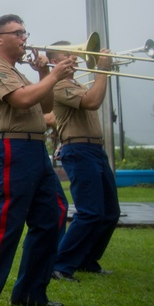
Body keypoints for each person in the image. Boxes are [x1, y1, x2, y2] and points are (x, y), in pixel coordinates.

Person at [0, 14, 76, 306]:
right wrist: (54, 76)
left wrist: (44, 75)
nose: (25, 37)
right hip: (13, 146)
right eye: (18, 32)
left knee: (55, 213)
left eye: (25, 32)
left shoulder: (17, 72)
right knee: (7, 224)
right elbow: (22, 100)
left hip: (35, 147)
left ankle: (30, 292)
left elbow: (47, 106)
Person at [47, 42, 120, 281]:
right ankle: (60, 264)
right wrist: (102, 69)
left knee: (109, 212)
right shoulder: (58, 85)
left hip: (95, 150)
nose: (76, 59)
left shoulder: (76, 84)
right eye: (68, 55)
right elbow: (92, 102)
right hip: (78, 149)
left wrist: (102, 71)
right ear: (55, 62)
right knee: (89, 212)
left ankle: (87, 259)